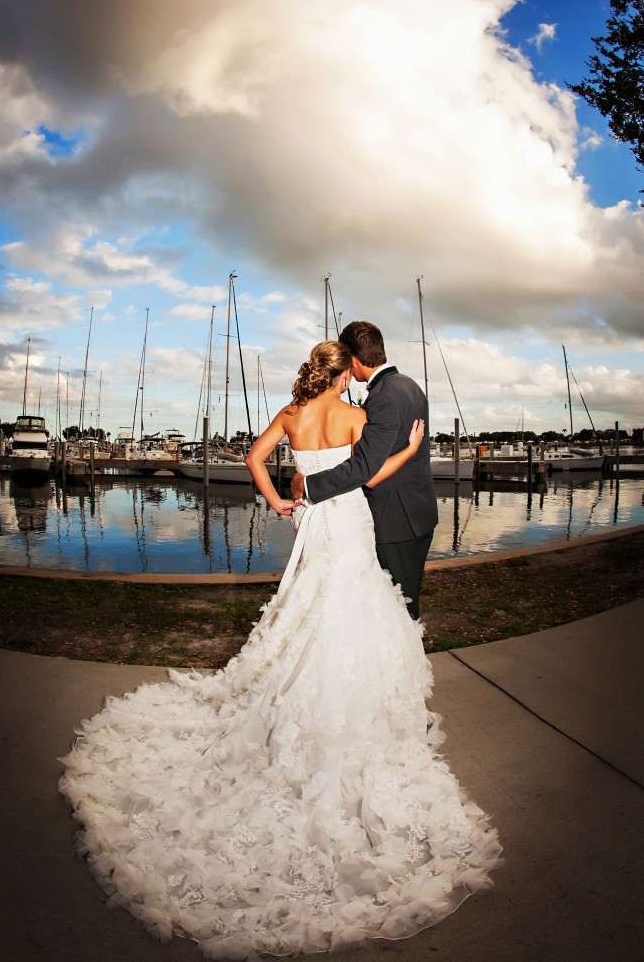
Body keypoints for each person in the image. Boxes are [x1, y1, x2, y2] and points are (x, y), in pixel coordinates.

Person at [59, 340, 501, 960]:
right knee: (352, 606)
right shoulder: (354, 417)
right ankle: (351, 707)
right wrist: (407, 448)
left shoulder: (292, 416)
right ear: (341, 373)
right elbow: (366, 474)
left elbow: (254, 457)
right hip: (346, 522)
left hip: (310, 525)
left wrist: (274, 499)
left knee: (313, 608)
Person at [291, 320, 437, 622]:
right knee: (400, 602)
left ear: (354, 359)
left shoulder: (383, 396)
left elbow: (364, 468)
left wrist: (309, 485)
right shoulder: (410, 385)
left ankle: (404, 667)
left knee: (398, 608)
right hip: (418, 512)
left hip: (395, 519)